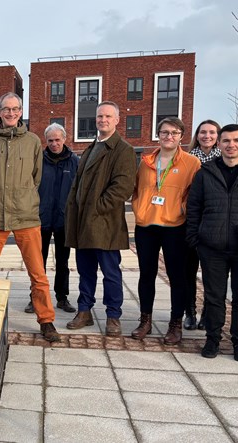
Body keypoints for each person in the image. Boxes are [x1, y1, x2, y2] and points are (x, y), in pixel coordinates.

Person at [0, 92, 60, 342]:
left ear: (21, 112)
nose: (11, 113)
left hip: (26, 217)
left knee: (38, 273)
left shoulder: (33, 141)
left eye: (15, 109)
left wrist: (23, 197)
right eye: (6, 109)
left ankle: (46, 321)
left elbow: (36, 177)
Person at [186, 124, 238, 362]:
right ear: (219, 144)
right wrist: (195, 239)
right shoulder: (206, 173)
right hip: (212, 248)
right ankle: (213, 339)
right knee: (214, 297)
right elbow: (194, 209)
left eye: (236, 140)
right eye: (226, 141)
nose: (230, 145)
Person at [65, 101, 137, 337]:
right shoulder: (90, 147)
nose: (103, 120)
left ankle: (113, 316)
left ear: (117, 120)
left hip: (105, 224)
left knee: (111, 273)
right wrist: (74, 208)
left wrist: (97, 208)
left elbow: (122, 187)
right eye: (99, 116)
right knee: (86, 272)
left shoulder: (123, 149)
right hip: (84, 222)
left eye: (107, 116)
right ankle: (84, 311)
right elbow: (78, 182)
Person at [130, 117, 200, 344]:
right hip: (147, 225)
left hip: (175, 227)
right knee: (146, 275)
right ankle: (145, 320)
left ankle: (175, 324)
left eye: (174, 133)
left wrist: (183, 210)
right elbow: (136, 189)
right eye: (164, 132)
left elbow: (195, 196)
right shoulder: (146, 161)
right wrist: (139, 210)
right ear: (157, 135)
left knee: (177, 276)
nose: (169, 137)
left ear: (182, 136)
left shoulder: (191, 163)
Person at [33, 123, 78, 314]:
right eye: (50, 140)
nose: (54, 144)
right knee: (37, 263)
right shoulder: (38, 161)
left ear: (65, 139)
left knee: (63, 262)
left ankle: (62, 297)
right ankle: (35, 298)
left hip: (63, 220)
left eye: (57, 140)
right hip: (41, 219)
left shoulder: (74, 162)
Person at [183, 120, 222, 331]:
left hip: (214, 224)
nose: (207, 136)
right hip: (189, 223)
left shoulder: (223, 159)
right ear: (197, 135)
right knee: (188, 271)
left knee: (212, 273)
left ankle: (208, 312)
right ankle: (189, 311)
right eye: (203, 132)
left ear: (218, 135)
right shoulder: (188, 159)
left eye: (212, 132)